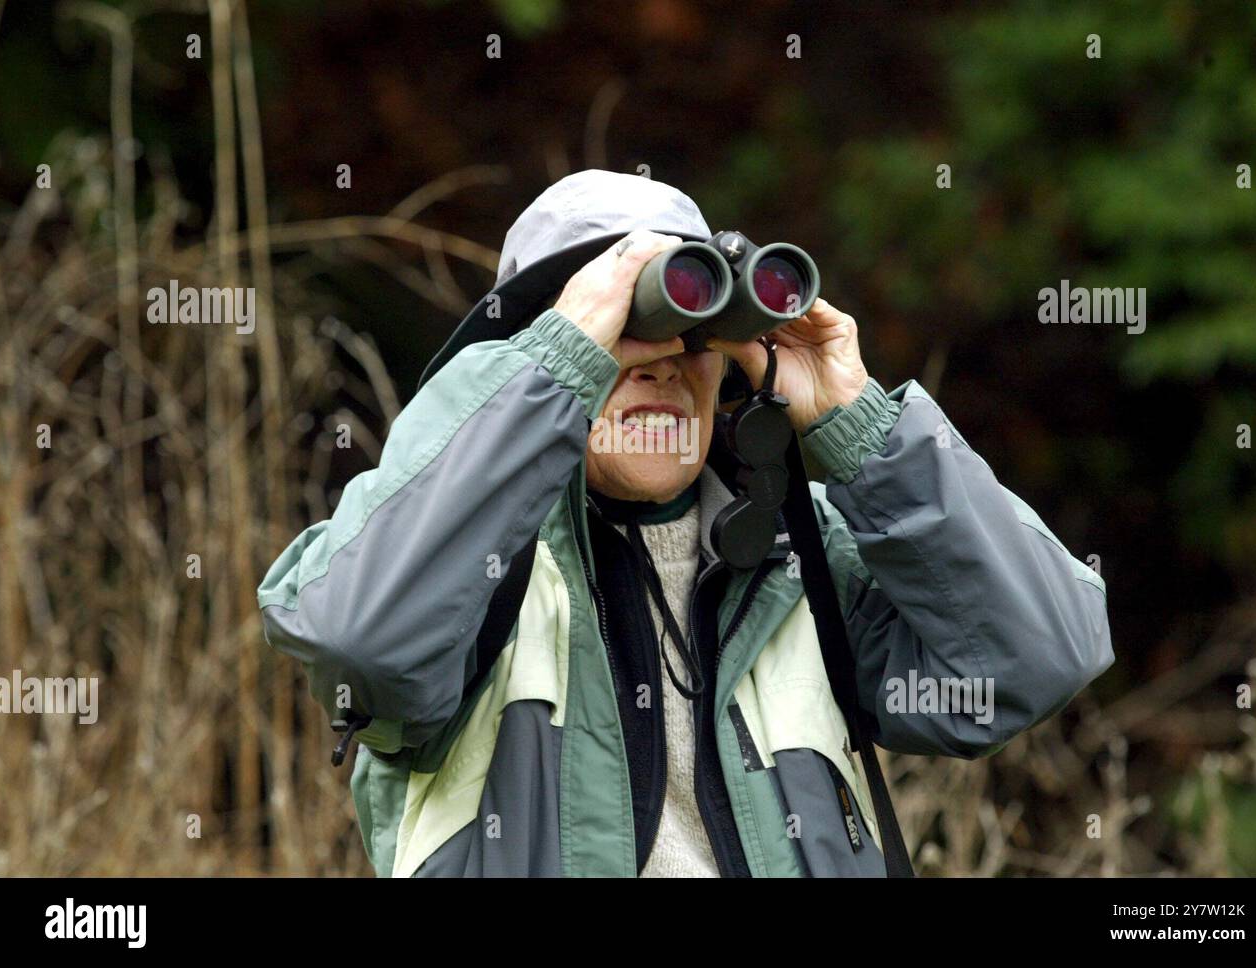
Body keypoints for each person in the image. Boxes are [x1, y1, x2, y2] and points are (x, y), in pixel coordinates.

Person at [257, 169, 1113, 877]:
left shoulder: (801, 560)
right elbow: (358, 640)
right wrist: (558, 365)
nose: (661, 362)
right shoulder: (475, 572)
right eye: (625, 331)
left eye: (690, 331)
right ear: (529, 359)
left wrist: (859, 428)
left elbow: (1036, 655)